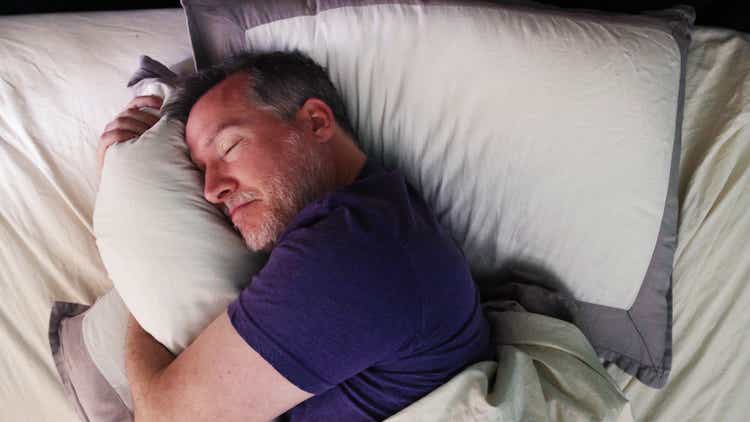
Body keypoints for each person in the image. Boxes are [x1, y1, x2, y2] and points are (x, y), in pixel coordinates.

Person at [97, 51, 493, 422]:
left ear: (316, 122)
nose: (212, 190)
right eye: (201, 172)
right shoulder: (382, 219)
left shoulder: (351, 251)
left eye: (229, 146)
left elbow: (165, 417)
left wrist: (143, 262)